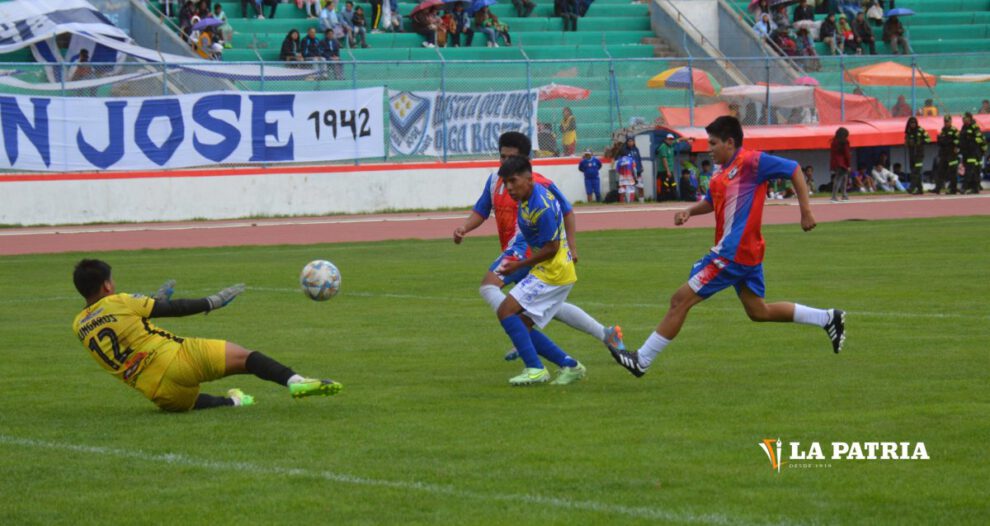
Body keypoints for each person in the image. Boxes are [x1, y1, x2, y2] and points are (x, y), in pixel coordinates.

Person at [606, 116, 845, 379]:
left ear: (730, 143)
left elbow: (794, 169)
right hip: (746, 254)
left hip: (732, 255)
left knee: (679, 300)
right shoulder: (721, 172)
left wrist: (806, 211)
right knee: (758, 311)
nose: (709, 148)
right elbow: (710, 202)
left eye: (713, 143)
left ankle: (642, 359)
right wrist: (689, 211)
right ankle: (827, 318)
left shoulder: (753, 162)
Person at [71, 260, 341, 412]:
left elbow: (124, 330)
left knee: (190, 400)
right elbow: (174, 309)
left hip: (158, 393)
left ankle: (235, 401)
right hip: (177, 359)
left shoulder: (79, 325)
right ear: (107, 284)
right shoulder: (119, 301)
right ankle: (295, 381)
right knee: (246, 358)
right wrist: (212, 302)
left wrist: (153, 302)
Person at [452, 132, 626, 363]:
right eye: (502, 157)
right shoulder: (495, 181)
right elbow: (482, 210)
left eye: (510, 157)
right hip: (514, 250)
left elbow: (567, 211)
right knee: (552, 306)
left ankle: (521, 336)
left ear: (525, 160)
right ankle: (606, 334)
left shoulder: (540, 184)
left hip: (526, 250)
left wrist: (572, 247)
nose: (504, 162)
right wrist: (464, 227)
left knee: (489, 287)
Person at [492, 157, 586, 386]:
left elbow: (551, 248)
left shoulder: (540, 206)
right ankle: (570, 366)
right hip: (551, 269)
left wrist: (519, 265)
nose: (510, 188)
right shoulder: (528, 198)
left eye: (513, 181)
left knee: (505, 312)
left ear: (529, 178)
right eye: (506, 183)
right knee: (521, 325)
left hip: (553, 272)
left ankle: (535, 369)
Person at [959, 111, 987, 194]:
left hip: (973, 152)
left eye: (965, 118)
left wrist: (971, 140)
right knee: (973, 171)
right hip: (965, 153)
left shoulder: (975, 127)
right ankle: (974, 188)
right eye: (963, 119)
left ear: (970, 118)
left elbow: (979, 139)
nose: (964, 120)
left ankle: (964, 187)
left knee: (970, 171)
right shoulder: (963, 128)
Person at [934, 115, 961, 194]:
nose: (946, 123)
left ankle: (953, 189)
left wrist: (955, 146)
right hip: (944, 154)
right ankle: (937, 188)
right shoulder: (942, 130)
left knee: (952, 172)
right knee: (940, 171)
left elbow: (958, 140)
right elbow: (940, 141)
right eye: (945, 122)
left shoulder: (954, 130)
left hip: (952, 154)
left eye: (947, 121)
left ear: (950, 121)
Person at [904, 116, 930, 195]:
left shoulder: (921, 130)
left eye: (914, 123)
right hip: (911, 154)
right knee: (913, 172)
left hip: (919, 154)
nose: (913, 124)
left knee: (916, 172)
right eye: (911, 123)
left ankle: (911, 188)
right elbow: (906, 142)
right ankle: (920, 189)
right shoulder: (908, 132)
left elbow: (928, 139)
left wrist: (920, 142)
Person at [618, 136, 645, 201]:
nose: (630, 142)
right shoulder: (624, 150)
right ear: (627, 142)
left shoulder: (636, 149)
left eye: (632, 141)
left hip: (638, 171)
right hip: (630, 173)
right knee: (630, 187)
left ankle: (642, 202)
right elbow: (622, 161)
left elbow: (639, 158)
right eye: (629, 141)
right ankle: (629, 201)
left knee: (640, 187)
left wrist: (641, 166)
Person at [830, 127, 851, 201]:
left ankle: (843, 194)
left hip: (836, 162)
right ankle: (836, 195)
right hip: (843, 163)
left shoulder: (834, 141)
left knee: (841, 178)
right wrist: (848, 165)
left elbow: (833, 154)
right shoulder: (845, 142)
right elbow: (847, 154)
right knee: (841, 179)